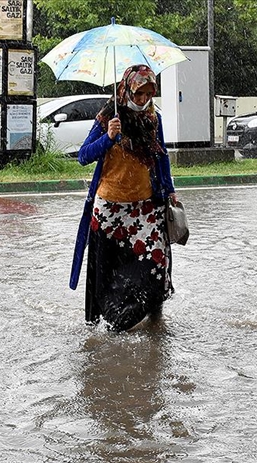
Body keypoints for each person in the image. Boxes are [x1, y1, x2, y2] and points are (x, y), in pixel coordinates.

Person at [69, 64, 179, 332]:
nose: (143, 100)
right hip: (110, 210)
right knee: (107, 272)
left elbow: (160, 156)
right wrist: (109, 137)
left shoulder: (154, 118)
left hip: (145, 207)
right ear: (127, 89)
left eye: (148, 94)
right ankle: (113, 321)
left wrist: (170, 189)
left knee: (156, 263)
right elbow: (84, 156)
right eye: (139, 93)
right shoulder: (108, 116)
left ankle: (155, 320)